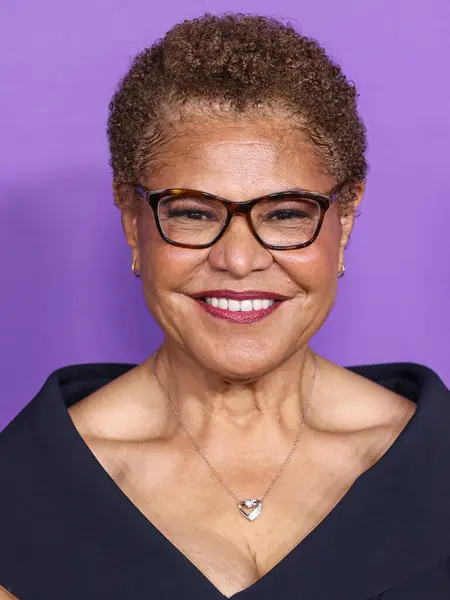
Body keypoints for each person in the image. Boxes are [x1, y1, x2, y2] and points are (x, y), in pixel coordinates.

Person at [1, 13, 449, 600]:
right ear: (133, 223)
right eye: (193, 213)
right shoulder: (22, 492)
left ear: (345, 222)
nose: (239, 260)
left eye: (286, 213)